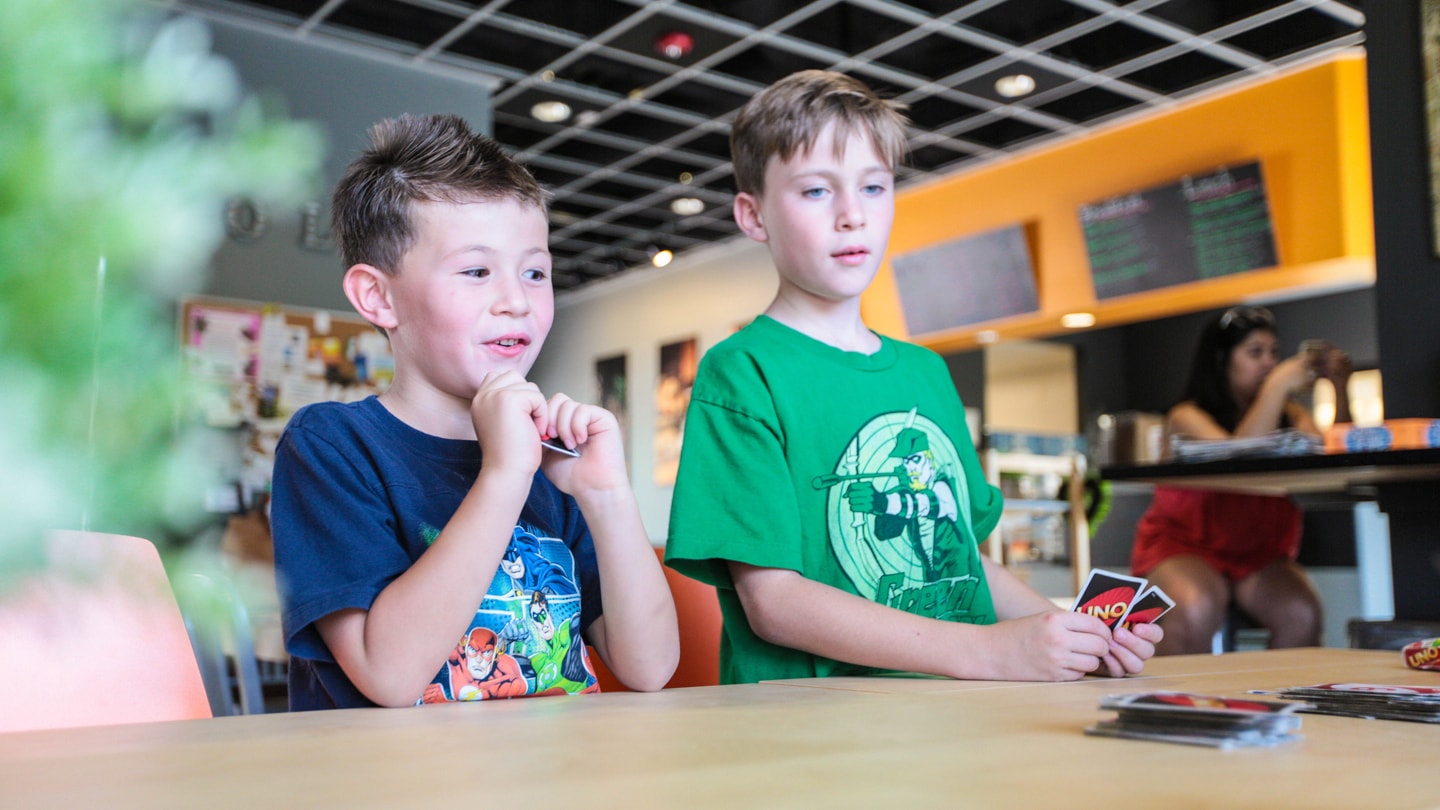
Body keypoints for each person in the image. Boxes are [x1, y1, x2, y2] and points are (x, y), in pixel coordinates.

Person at [663, 70, 1162, 685]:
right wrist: (992, 653)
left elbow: (973, 565)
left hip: (958, 720)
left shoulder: (927, 372)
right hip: (810, 738)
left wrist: (1079, 636)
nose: (852, 215)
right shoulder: (742, 372)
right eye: (816, 191)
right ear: (753, 214)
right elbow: (774, 603)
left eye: (873, 187)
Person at [271, 113, 678, 710]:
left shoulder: (554, 459)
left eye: (535, 272)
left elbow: (650, 668)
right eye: (477, 271)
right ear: (378, 297)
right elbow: (389, 676)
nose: (516, 301)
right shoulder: (333, 446)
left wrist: (607, 496)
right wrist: (505, 474)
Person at [1130, 304, 1352, 655]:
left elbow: (1334, 453)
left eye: (1274, 353)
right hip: (1184, 544)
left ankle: (1280, 707)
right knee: (1194, 608)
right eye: (1255, 352)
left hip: (1258, 552)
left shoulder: (1290, 413)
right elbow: (1240, 459)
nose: (1268, 363)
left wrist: (1340, 387)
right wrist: (1278, 386)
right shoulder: (1187, 416)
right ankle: (1181, 706)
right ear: (1222, 360)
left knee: (1302, 614)